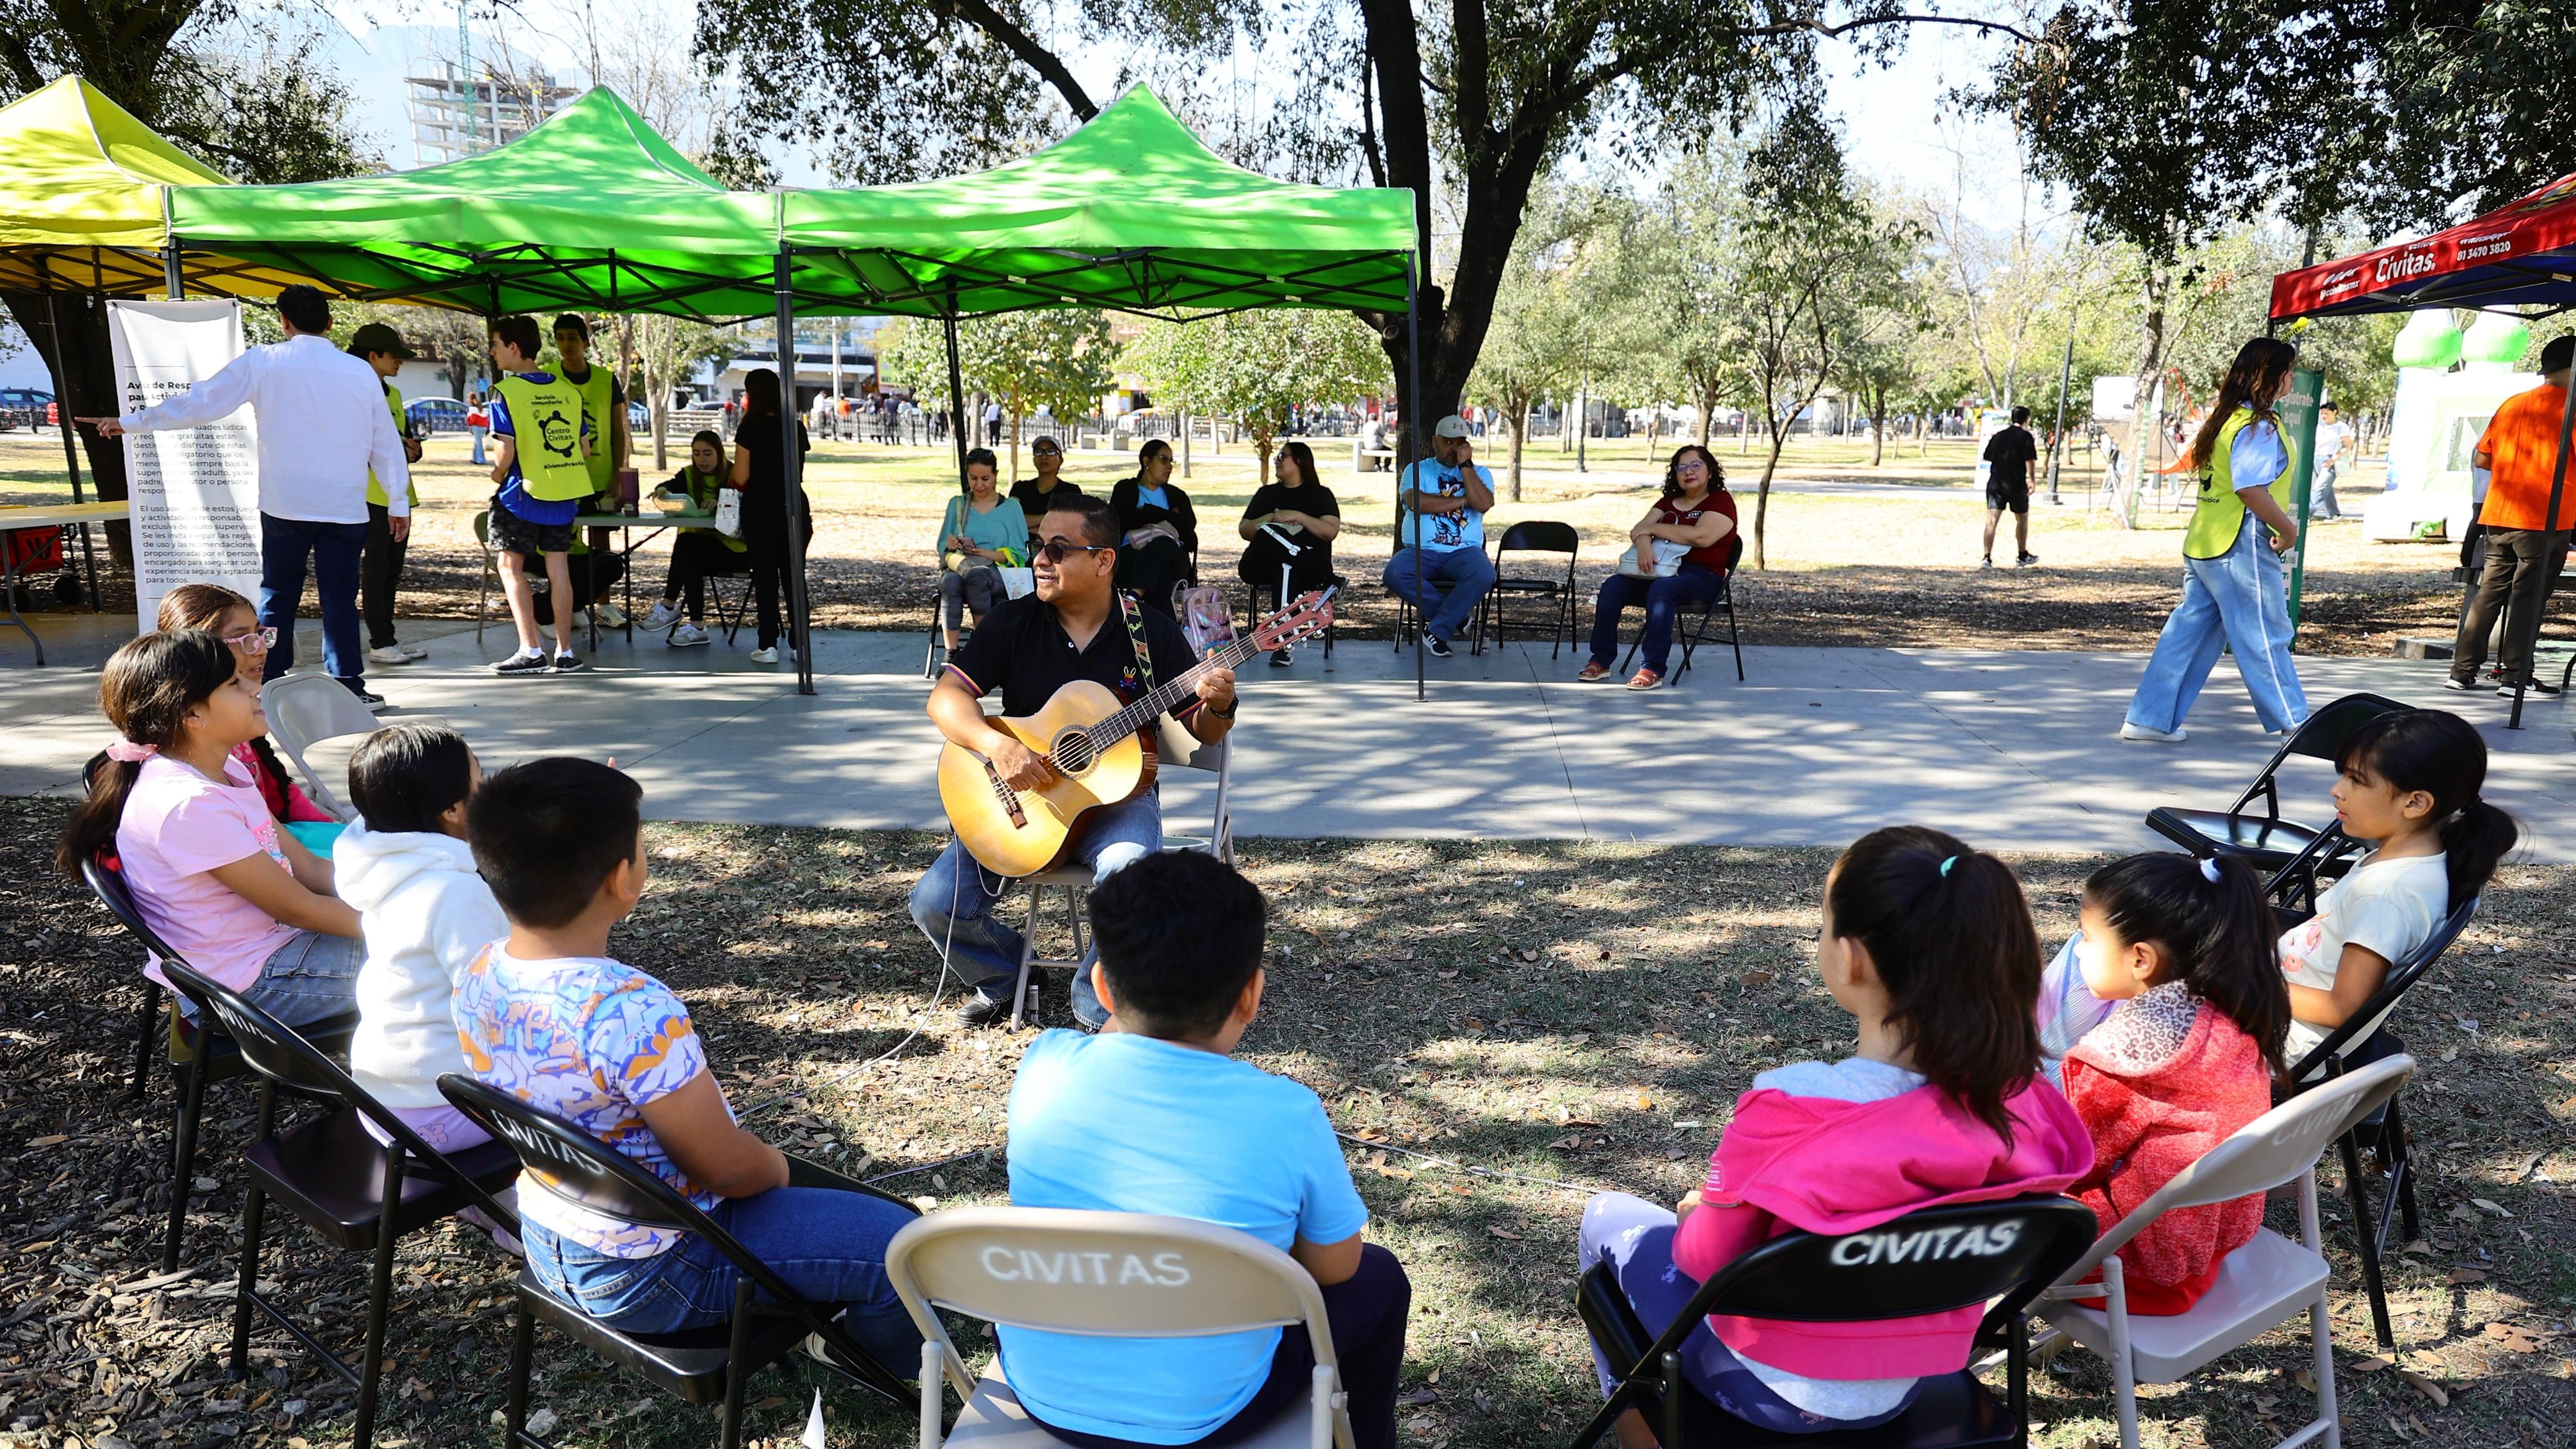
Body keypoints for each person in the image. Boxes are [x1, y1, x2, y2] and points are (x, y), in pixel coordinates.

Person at [1577, 827, 2087, 1442]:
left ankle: (1643, 1432)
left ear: (1850, 958)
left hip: (1765, 1386)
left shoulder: (1795, 1107)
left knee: (1603, 1217)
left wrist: (1694, 1217)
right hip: (1908, 1380)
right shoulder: (2025, 1110)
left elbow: (1707, 1261)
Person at [455, 758, 920, 1359]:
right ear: (622, 879)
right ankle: (874, 1362)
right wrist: (778, 1169)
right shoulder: (629, 1010)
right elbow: (726, 1171)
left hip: (550, 1235)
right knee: (904, 1246)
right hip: (660, 1270)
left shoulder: (478, 972)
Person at [1001, 851, 1410, 1448]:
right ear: (1251, 996)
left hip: (1046, 1395)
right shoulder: (1287, 1112)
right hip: (1211, 1414)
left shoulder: (1044, 1066)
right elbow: (1335, 1267)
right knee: (1380, 1278)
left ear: (1102, 987)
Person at [909, 495, 1237, 1029]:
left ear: (1104, 560)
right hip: (1025, 798)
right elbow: (945, 699)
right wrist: (998, 747)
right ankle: (1009, 979)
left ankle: (1094, 1007)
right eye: (1039, 546)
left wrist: (1219, 706)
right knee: (934, 902)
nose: (1040, 559)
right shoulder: (1013, 622)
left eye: (1058, 550)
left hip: (1120, 800)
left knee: (1130, 875)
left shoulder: (1150, 632)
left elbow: (1202, 728)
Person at [79, 284, 409, 707]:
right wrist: (398, 502)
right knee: (340, 599)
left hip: (286, 502)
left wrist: (130, 422)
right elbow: (386, 443)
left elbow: (201, 402)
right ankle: (348, 685)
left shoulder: (265, 361)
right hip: (344, 506)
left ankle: (267, 680)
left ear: (283, 321)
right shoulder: (360, 372)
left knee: (278, 594)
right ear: (329, 323)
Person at [54, 631, 362, 1025]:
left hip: (277, 949)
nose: (255, 688)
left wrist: (405, 894)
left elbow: (311, 868)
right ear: (191, 714)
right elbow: (300, 908)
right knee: (431, 964)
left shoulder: (226, 769)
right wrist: (412, 925)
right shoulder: (190, 806)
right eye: (234, 683)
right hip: (249, 986)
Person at [2058, 853, 2287, 1313]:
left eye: (2087, 938)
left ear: (2141, 958)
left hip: (2132, 1269)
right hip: (2206, 1248)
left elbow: (2067, 1162)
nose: (2077, 950)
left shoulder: (2122, 1060)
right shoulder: (2233, 1016)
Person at [2276, 710, 2517, 1060]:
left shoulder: (2387, 894)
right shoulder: (2404, 863)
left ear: (2415, 803)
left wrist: (2239, 987)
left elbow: (2342, 1008)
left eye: (2357, 780)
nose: (2337, 790)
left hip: (2280, 1044)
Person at [2119, 337, 2308, 743]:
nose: (2293, 377)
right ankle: (2294, 722)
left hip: (2206, 541)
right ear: (2269, 376)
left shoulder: (2225, 419)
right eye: (2288, 370)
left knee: (2189, 634)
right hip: (2242, 541)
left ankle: (2149, 719)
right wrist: (2289, 529)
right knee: (2265, 631)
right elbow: (2250, 490)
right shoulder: (2258, 426)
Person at [335, 724, 509, 1159]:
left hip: (383, 1102)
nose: (490, 786)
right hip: (442, 1113)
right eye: (480, 777)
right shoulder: (454, 892)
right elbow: (500, 1004)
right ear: (451, 809)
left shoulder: (388, 865)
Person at [152, 584, 340, 851]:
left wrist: (327, 829)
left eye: (259, 633)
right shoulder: (186, 766)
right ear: (194, 648)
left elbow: (278, 795)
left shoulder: (237, 723)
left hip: (274, 841)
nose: (261, 649)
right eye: (241, 638)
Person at [2446, 335, 2576, 697]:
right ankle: (2516, 676)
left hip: (2500, 515)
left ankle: (2462, 671)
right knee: (2528, 598)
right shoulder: (2571, 407)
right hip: (2545, 519)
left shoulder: (2513, 403)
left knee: (2489, 593)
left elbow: (2482, 458)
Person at [483, 314, 595, 676]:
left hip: (522, 495)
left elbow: (505, 450)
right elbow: (584, 448)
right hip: (564, 494)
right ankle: (565, 652)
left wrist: (496, 474)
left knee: (509, 566)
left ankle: (530, 650)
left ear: (514, 347)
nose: (493, 352)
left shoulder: (505, 392)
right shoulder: (568, 391)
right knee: (559, 569)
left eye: (496, 345)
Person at [1577, 445, 1737, 689]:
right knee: (1613, 586)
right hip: (1660, 573)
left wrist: (1653, 529)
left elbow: (1701, 537)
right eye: (1681, 467)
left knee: (1663, 590)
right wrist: (1644, 545)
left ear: (1711, 470)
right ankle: (1601, 659)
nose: (1689, 472)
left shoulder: (1721, 501)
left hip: (1703, 578)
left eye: (1696, 465)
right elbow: (1638, 529)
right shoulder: (1668, 502)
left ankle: (1652, 668)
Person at [1383, 416, 1499, 658]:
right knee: (1395, 572)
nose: (1454, 449)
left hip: (1464, 551)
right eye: (1448, 442)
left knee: (1484, 574)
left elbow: (1484, 503)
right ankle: (1456, 617)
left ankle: (1437, 630)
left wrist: (1466, 466)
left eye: (1460, 443)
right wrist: (1463, 500)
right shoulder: (1417, 470)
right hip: (1420, 550)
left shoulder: (1479, 473)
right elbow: (1417, 502)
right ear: (1435, 441)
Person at [350, 323, 429, 669]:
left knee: (393, 569)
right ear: (373, 356)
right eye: (394, 355)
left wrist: (413, 450)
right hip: (370, 496)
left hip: (399, 496)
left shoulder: (393, 394)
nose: (400, 361)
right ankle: (380, 641)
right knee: (376, 569)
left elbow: (401, 440)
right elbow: (359, 444)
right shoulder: (353, 392)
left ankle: (389, 638)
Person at [729, 368, 813, 664]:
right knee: (794, 577)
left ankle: (768, 644)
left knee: (765, 578)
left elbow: (741, 475)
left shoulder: (749, 428)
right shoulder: (795, 427)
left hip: (760, 507)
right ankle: (800, 643)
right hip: (794, 504)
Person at [1237, 440, 1341, 668]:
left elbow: (1330, 531)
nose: (1277, 461)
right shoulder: (1267, 494)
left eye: (1282, 456)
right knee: (1268, 532)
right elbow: (1244, 530)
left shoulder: (1320, 495)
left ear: (1300, 461)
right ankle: (1311, 562)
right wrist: (1272, 519)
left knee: (1286, 567)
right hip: (1259, 565)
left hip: (1302, 572)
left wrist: (1299, 516)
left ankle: (1282, 645)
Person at [638, 430, 746, 648]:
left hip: (736, 550)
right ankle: (695, 625)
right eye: (696, 454)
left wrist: (721, 503)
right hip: (699, 551)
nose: (701, 460)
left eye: (707, 453)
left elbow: (746, 504)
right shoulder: (688, 475)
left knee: (687, 545)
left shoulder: (735, 474)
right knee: (689, 553)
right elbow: (671, 485)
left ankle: (670, 606)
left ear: (720, 454)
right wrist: (662, 490)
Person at [938, 448, 1028, 653]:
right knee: (950, 582)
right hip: (962, 567)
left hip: (997, 572)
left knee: (977, 577)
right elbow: (942, 545)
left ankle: (982, 650)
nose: (979, 485)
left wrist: (988, 554)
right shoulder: (957, 505)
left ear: (996, 475)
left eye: (985, 479)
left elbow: (1022, 553)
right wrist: (950, 544)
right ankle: (951, 653)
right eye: (973, 478)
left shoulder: (1011, 507)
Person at [1107, 439, 1198, 616]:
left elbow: (1187, 528)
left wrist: (1147, 512)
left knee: (1163, 543)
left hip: (1174, 558)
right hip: (1131, 558)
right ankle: (1162, 629)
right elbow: (1121, 520)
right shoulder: (1126, 489)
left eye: (1171, 461)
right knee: (1160, 575)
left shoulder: (1177, 495)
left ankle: (1134, 596)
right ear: (1147, 461)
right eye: (1164, 460)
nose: (1169, 466)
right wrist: (1168, 517)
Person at [1981, 406, 2040, 568]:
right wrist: (2032, 479)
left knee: (1992, 520)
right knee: (2022, 519)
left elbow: (1987, 456)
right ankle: (2022, 555)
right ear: (2027, 419)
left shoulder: (1999, 436)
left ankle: (1986, 557)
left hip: (1996, 482)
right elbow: (2030, 460)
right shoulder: (2026, 437)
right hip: (2016, 484)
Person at [1010, 436, 1084, 543]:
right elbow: (1011, 520)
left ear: (1060, 460)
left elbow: (1070, 525)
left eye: (1050, 452)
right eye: (1039, 452)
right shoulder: (1020, 488)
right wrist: (1053, 518)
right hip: (1020, 547)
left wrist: (1027, 525)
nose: (1044, 456)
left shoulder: (1071, 491)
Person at [2310, 402, 2350, 522]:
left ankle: (2307, 514)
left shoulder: (2341, 427)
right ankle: (2334, 514)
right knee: (2326, 489)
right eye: (2322, 414)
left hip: (2330, 460)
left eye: (2326, 413)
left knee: (2319, 489)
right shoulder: (2320, 426)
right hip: (2316, 458)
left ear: (2335, 412)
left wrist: (2332, 460)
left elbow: (2347, 446)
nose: (2324, 416)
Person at [466, 390, 490, 466]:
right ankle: (475, 458)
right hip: (484, 426)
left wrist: (469, 424)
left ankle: (480, 459)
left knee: (478, 442)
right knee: (478, 442)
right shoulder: (480, 406)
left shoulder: (472, 408)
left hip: (477, 426)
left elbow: (471, 419)